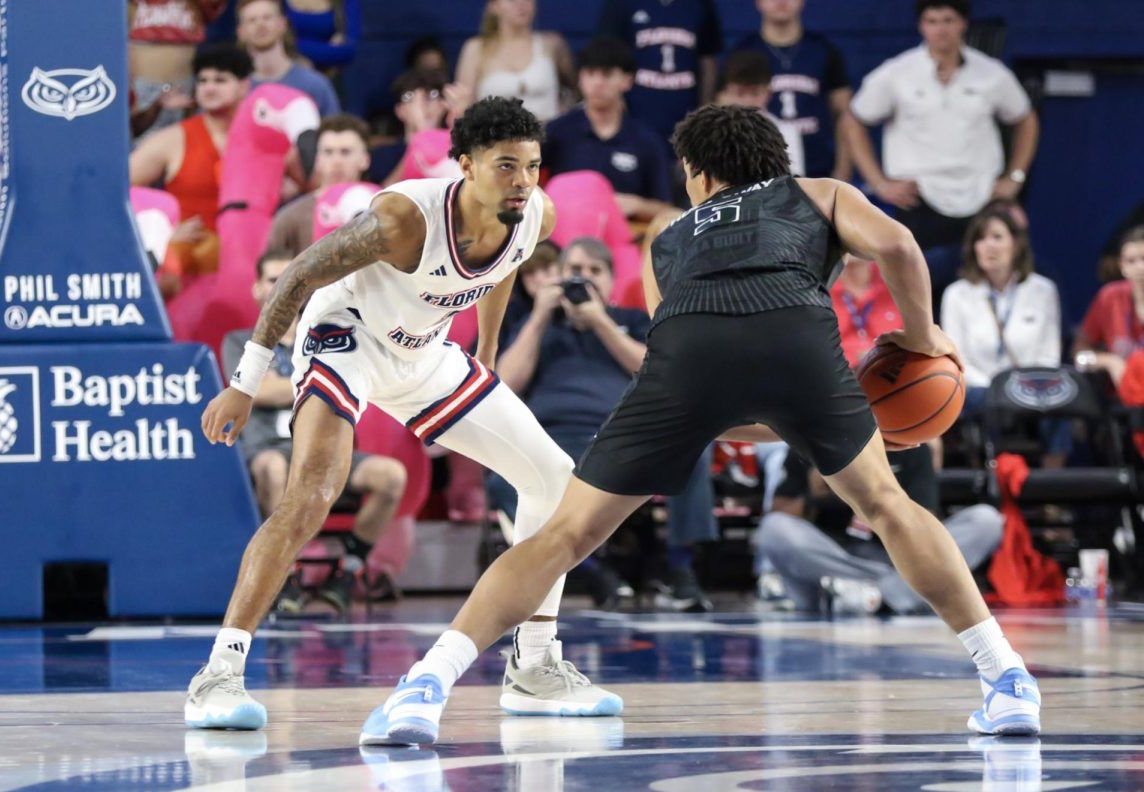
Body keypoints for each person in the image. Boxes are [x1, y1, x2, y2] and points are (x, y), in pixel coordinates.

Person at [365, 104, 1041, 745]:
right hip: (797, 340)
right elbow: (898, 243)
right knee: (889, 504)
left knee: (564, 533)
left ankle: (425, 686)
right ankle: (1007, 678)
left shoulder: (667, 237)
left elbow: (703, 396)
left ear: (700, 171)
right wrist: (919, 344)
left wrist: (816, 416)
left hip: (684, 361)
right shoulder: (819, 191)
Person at [194, 97, 621, 731]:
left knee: (554, 479)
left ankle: (534, 665)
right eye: (506, 166)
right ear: (465, 167)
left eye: (532, 166)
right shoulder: (404, 217)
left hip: (427, 352)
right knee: (311, 495)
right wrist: (244, 383)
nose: (523, 181)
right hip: (348, 339)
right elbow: (299, 277)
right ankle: (219, 675)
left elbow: (507, 263)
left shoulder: (533, 213)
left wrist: (488, 349)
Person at [495, 237, 717, 610]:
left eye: (594, 271)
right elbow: (506, 382)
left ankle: (680, 570)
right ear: (558, 276)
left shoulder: (630, 321)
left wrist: (600, 322)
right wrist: (540, 316)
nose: (583, 279)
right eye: (574, 271)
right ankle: (594, 574)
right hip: (555, 438)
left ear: (611, 281)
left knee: (692, 450)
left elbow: (660, 374)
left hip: (623, 435)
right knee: (504, 477)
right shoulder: (533, 324)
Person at [222, 250, 406, 598]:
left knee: (391, 476)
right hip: (271, 449)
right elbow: (255, 391)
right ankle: (284, 576)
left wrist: (293, 385)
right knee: (274, 469)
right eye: (273, 280)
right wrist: (322, 384)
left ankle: (349, 570)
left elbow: (354, 381)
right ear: (257, 289)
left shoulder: (328, 332)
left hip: (326, 447)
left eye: (289, 278)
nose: (282, 286)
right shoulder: (240, 341)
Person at [841, 0, 1039, 292]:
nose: (940, 29)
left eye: (948, 20)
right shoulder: (897, 72)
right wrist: (878, 183)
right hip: (919, 200)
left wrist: (1015, 178)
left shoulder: (991, 73)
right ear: (921, 26)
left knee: (985, 288)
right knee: (918, 291)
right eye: (932, 21)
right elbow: (853, 119)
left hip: (981, 197)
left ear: (963, 24)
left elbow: (1025, 118)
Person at [757, 446, 1002, 614]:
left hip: (900, 557)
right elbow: (779, 513)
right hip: (837, 557)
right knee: (773, 529)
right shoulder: (808, 445)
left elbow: (927, 523)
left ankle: (874, 596)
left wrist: (885, 505)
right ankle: (896, 594)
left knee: (986, 520)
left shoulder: (911, 446)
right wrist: (812, 498)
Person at [941, 206, 1067, 464]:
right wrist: (996, 389)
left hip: (1031, 386)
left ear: (1016, 244)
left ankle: (1053, 494)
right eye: (981, 238)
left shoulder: (1043, 290)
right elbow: (956, 356)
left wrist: (1022, 387)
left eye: (997, 237)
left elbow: (1049, 354)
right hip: (980, 388)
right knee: (978, 401)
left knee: (1061, 403)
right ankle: (987, 484)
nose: (988, 246)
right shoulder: (957, 294)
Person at [130, 45, 253, 288]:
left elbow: (312, 185)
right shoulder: (173, 139)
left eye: (220, 80)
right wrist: (163, 232)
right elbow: (116, 189)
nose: (209, 87)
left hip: (249, 269)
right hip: (189, 272)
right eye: (203, 80)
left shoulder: (264, 139)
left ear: (244, 86)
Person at [542, 37, 672, 221]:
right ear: (580, 79)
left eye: (606, 74)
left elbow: (667, 210)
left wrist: (636, 205)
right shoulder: (557, 131)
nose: (597, 82)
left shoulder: (646, 140)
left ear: (627, 80)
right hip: (564, 236)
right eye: (590, 73)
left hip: (627, 238)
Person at [729, 0, 852, 180]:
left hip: (819, 170)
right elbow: (724, 112)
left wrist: (843, 172)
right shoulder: (741, 53)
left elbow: (845, 116)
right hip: (758, 173)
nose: (781, 1)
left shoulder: (823, 50)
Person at [597, 0, 723, 147]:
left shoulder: (701, 5)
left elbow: (708, 61)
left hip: (687, 118)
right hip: (637, 117)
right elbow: (607, 58)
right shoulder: (621, 4)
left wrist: (704, 114)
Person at [268, 113, 372, 256]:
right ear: (318, 159)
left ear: (365, 160)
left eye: (345, 152)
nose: (337, 161)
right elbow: (270, 272)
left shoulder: (383, 205)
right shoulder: (291, 217)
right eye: (328, 152)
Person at [455, 0, 574, 123]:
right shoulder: (475, 49)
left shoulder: (552, 45)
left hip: (549, 136)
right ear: (494, 6)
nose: (521, 4)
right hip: (495, 138)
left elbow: (574, 91)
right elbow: (463, 104)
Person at [128, 0, 227, 138]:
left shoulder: (196, 5)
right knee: (141, 144)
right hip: (141, 86)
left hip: (185, 84)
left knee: (184, 142)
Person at [236, 0, 341, 117]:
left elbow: (333, 131)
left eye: (267, 18)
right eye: (252, 20)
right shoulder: (235, 89)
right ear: (241, 32)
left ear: (283, 24)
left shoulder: (314, 84)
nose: (260, 24)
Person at [1074, 226, 1144, 387]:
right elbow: (1078, 354)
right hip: (1120, 402)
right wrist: (1108, 361)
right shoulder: (1109, 297)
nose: (1140, 268)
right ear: (1122, 266)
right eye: (1131, 261)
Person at [716, 51, 804, 177]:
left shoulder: (785, 132)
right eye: (740, 93)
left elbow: (794, 182)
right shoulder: (712, 133)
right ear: (726, 93)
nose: (747, 101)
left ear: (768, 93)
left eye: (755, 94)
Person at [367, 69, 450, 185]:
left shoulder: (456, 148)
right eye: (410, 98)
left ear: (443, 105)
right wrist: (422, 139)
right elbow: (384, 196)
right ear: (400, 111)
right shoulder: (382, 155)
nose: (422, 105)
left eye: (431, 96)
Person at [283, 0, 361, 72]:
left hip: (331, 74)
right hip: (284, 73)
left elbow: (349, 51)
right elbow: (278, 43)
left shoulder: (345, 2)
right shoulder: (280, 3)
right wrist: (329, 49)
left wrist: (293, 48)